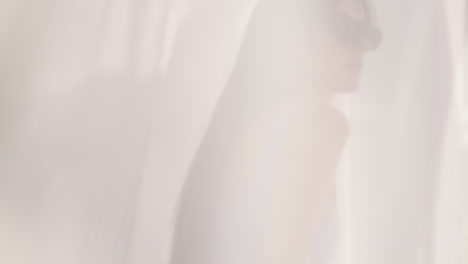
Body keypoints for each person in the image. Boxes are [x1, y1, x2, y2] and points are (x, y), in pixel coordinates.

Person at [170, 0, 381, 263]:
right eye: (344, 30)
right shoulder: (319, 124)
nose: (362, 46)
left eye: (367, 32)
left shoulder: (246, 129)